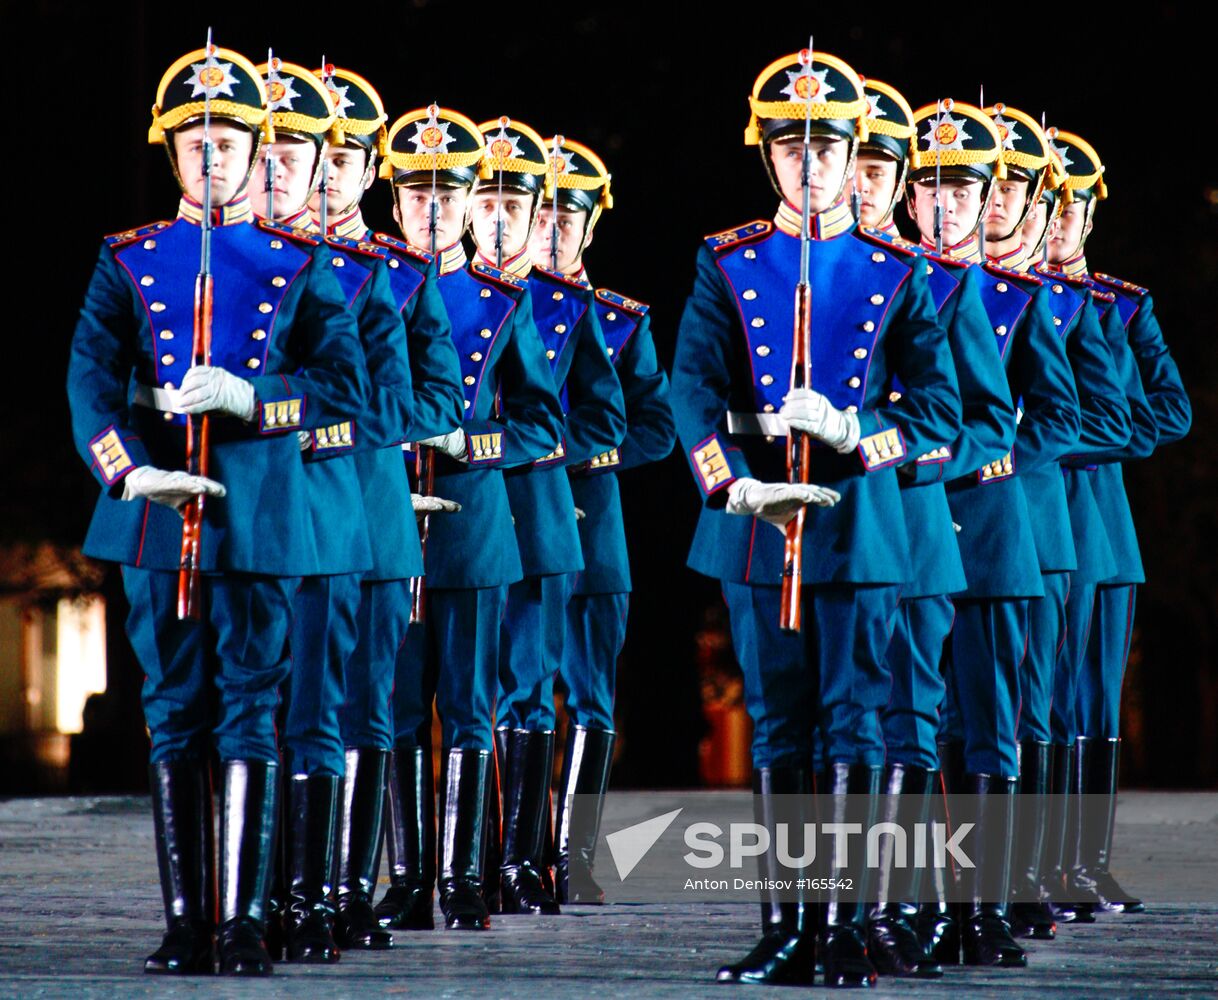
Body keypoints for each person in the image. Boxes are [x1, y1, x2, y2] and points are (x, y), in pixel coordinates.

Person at [67, 43, 368, 976]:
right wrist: (124, 470)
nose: (212, 154)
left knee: (251, 705)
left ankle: (240, 921)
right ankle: (185, 919)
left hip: (260, 506)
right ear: (173, 152)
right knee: (171, 710)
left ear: (254, 147)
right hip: (156, 508)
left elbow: (344, 384)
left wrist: (252, 400)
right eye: (194, 139)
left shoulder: (301, 259)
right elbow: (91, 378)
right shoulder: (128, 258)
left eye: (228, 138)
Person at [673, 49, 960, 988]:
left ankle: (847, 924)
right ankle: (788, 927)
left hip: (856, 522)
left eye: (826, 148)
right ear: (772, 158)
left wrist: (856, 430)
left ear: (851, 156)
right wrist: (730, 481)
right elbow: (691, 387)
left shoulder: (897, 269)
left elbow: (939, 409)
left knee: (855, 720)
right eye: (791, 147)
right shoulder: (729, 261)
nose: (810, 164)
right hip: (758, 518)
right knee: (779, 723)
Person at [376, 105, 564, 931]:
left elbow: (542, 420)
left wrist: (470, 437)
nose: (429, 209)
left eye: (445, 196)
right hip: (388, 517)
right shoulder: (367, 283)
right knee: (395, 703)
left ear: (466, 206)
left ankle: (461, 877)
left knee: (470, 699)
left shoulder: (501, 299)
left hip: (473, 521)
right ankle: (410, 875)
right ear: (395, 204)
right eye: (415, 194)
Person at [908, 97, 1081, 968]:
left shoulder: (1018, 298)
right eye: (931, 189)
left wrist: (990, 455)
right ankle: (936, 902)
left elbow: (1056, 412)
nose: (946, 206)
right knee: (925, 721)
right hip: (917, 529)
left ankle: (990, 902)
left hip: (990, 526)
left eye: (964, 192)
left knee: (992, 721)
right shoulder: (898, 285)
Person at [855, 78, 1012, 978]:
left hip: (921, 529)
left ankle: (921, 906)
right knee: (851, 721)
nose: (869, 186)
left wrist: (903, 459)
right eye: (862, 169)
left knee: (919, 719)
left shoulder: (939, 283)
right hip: (842, 533)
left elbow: (983, 417)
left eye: (882, 169)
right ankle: (861, 908)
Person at [470, 119, 627, 916]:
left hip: (547, 515)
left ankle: (543, 859)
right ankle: (478, 862)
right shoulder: (444, 291)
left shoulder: (578, 309)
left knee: (539, 690)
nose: (506, 221)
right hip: (461, 517)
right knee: (470, 694)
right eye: (486, 201)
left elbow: (616, 419)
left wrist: (550, 467)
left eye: (523, 207)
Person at [982, 105, 1131, 939]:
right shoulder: (916, 280)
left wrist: (993, 450)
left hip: (1040, 524)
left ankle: (1035, 868)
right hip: (931, 522)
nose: (999, 205)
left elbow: (1108, 418)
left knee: (1033, 705)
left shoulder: (1066, 304)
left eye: (1017, 192)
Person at [530, 136, 676, 906]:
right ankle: (511, 852)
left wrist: (574, 448)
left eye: (568, 216)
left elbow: (655, 425)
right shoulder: (498, 306)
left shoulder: (618, 321)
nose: (552, 228)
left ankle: (572, 854)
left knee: (590, 696)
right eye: (542, 210)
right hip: (516, 520)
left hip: (589, 520)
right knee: (508, 689)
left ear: (591, 228)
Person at [1047, 127, 1188, 915]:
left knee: (1092, 697)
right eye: (1049, 202)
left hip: (1097, 519)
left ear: (1092, 217)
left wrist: (1060, 437)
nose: (1060, 219)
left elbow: (1161, 415)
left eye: (1076, 207)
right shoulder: (996, 297)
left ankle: (1084, 861)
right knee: (1033, 696)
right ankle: (1034, 864)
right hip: (1030, 511)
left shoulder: (1121, 308)